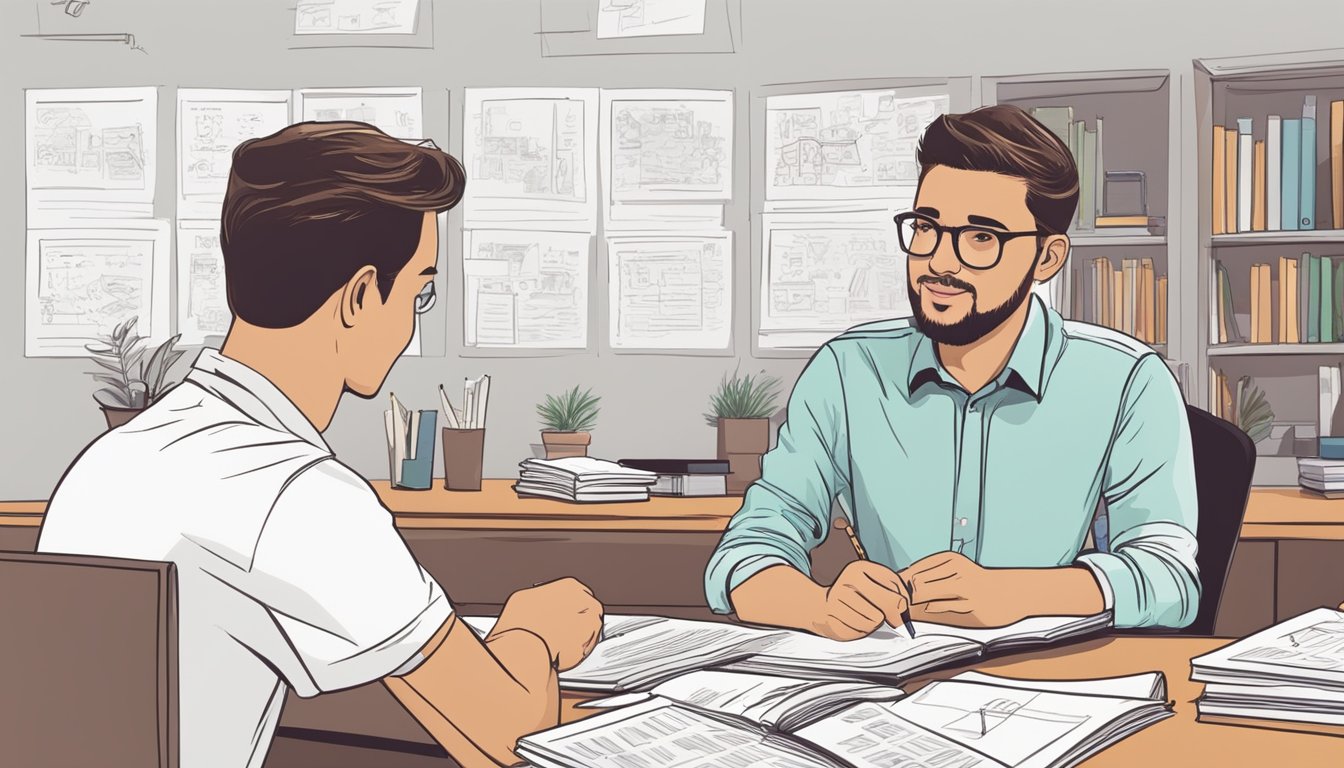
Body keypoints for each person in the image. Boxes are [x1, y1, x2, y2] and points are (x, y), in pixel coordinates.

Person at [37, 122, 602, 768]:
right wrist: (532, 630)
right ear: (361, 296)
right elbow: (506, 738)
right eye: (420, 292)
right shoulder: (295, 497)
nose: (414, 323)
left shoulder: (110, 463)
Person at [706, 105, 1199, 640]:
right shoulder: (848, 372)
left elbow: (1171, 582)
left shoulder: (1126, 380)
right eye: (927, 227)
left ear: (1047, 258)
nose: (941, 261)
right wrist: (819, 607)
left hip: (1051, 680)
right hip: (891, 675)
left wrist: (1015, 595)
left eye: (981, 237)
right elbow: (747, 551)